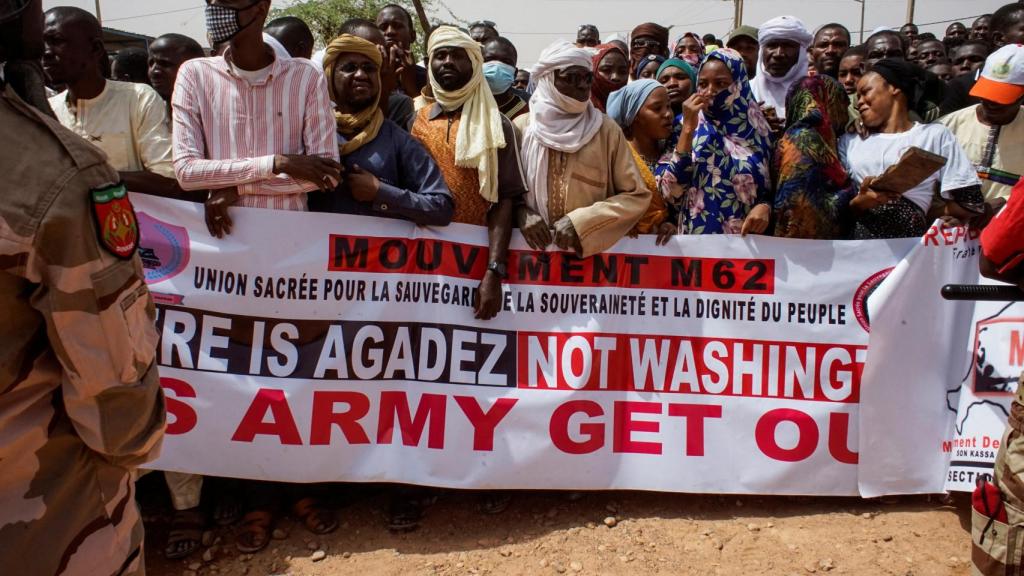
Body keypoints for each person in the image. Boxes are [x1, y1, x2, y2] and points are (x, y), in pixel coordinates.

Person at [0, 1, 166, 575]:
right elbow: (115, 395)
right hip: (43, 512)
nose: (45, 45)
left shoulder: (132, 106)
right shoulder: (52, 170)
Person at [173, 1, 342, 551]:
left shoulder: (306, 77)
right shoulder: (195, 75)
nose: (218, 9)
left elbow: (324, 171)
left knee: (295, 375)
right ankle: (257, 500)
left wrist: (233, 186)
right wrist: (276, 165)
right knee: (237, 378)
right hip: (220, 263)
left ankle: (300, 488)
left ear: (262, 5)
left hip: (293, 259)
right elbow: (185, 170)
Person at [407, 25, 526, 527]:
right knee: (421, 376)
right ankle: (420, 480)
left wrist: (492, 270)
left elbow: (504, 202)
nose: (447, 66)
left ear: (474, 65)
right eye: (439, 58)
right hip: (421, 273)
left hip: (476, 265)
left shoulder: (495, 122)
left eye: (457, 57)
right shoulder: (414, 121)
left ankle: (486, 474)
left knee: (480, 379)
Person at [516, 40, 652, 257]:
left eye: (587, 77)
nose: (582, 85)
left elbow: (636, 196)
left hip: (589, 269)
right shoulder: (522, 128)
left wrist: (581, 223)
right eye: (572, 77)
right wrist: (520, 213)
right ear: (549, 79)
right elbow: (503, 195)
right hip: (529, 264)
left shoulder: (606, 130)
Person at [310, 33, 452, 225]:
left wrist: (382, 193)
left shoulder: (397, 140)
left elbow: (441, 208)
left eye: (369, 69)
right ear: (329, 77)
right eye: (349, 68)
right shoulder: (308, 133)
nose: (361, 75)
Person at [43, 7, 182, 198]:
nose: (46, 52)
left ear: (95, 49)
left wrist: (91, 177)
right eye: (42, 43)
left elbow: (168, 180)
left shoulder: (138, 98)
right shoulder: (48, 110)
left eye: (56, 41)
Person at [839, 59, 984, 239]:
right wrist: (861, 203)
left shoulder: (934, 136)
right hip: (859, 252)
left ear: (894, 88)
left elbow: (971, 202)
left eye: (865, 92)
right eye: (857, 97)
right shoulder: (850, 140)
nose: (858, 102)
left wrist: (923, 213)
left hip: (910, 256)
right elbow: (833, 209)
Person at [664, 48, 773, 235]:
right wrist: (688, 130)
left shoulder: (760, 131)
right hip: (693, 248)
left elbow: (775, 189)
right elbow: (670, 192)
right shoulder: (680, 126)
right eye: (703, 84)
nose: (710, 92)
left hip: (748, 248)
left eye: (721, 83)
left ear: (738, 84)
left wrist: (766, 207)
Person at [939, 44, 1024, 204]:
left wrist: (1006, 203)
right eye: (987, 93)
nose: (991, 103)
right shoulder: (946, 127)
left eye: (1001, 97)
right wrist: (950, 209)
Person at [772, 75, 855, 239]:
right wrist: (853, 192)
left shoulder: (800, 136)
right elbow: (804, 207)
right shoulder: (806, 140)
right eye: (842, 104)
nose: (846, 113)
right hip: (807, 249)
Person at [605, 79, 676, 243]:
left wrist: (670, 224)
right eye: (657, 108)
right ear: (634, 116)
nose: (668, 114)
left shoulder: (674, 153)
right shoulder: (617, 157)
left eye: (669, 106)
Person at [751, 15, 813, 123]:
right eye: (772, 45)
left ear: (801, 52)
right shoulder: (745, 91)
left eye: (787, 46)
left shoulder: (816, 93)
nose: (778, 54)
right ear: (761, 51)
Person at [376, 4, 427, 96]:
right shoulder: (366, 76)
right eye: (383, 27)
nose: (390, 31)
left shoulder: (429, 78)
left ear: (412, 36)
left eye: (397, 26)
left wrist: (411, 87)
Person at [148, 33, 204, 116]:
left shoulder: (213, 116)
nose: (154, 71)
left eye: (165, 64)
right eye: (151, 63)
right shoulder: (148, 116)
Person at [482, 36, 529, 124]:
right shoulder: (465, 105)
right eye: (489, 59)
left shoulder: (527, 111)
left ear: (515, 74)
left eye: (506, 62)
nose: (497, 67)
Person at [590, 42, 628, 112]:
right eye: (606, 70)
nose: (615, 77)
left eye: (622, 72)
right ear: (593, 70)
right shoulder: (579, 111)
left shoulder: (632, 110)